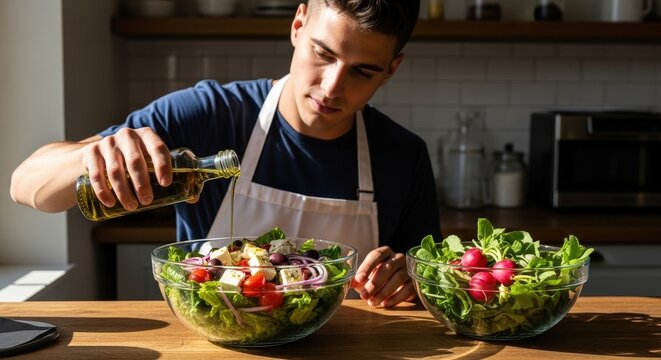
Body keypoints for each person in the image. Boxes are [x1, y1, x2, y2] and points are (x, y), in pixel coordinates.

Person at [10, 0, 440, 308]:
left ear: (392, 69)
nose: (331, 87)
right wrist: (93, 157)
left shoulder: (403, 156)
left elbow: (429, 289)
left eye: (363, 71)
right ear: (297, 24)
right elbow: (25, 185)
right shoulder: (210, 115)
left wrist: (408, 281)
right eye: (322, 53)